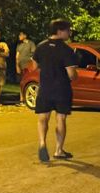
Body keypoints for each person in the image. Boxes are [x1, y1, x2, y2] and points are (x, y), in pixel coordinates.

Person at [33, 19, 78, 162]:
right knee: (61, 118)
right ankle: (58, 150)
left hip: (45, 87)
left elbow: (33, 66)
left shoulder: (40, 47)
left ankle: (42, 144)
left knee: (42, 118)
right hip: (61, 89)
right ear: (60, 31)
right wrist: (75, 75)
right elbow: (71, 74)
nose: (69, 33)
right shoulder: (67, 50)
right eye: (68, 30)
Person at [15, 30, 36, 106]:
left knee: (27, 82)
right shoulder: (19, 45)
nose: (19, 36)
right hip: (20, 66)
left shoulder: (31, 44)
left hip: (28, 67)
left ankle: (27, 99)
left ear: (25, 35)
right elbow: (17, 56)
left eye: (21, 35)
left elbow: (33, 55)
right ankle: (21, 100)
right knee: (21, 82)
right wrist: (17, 66)